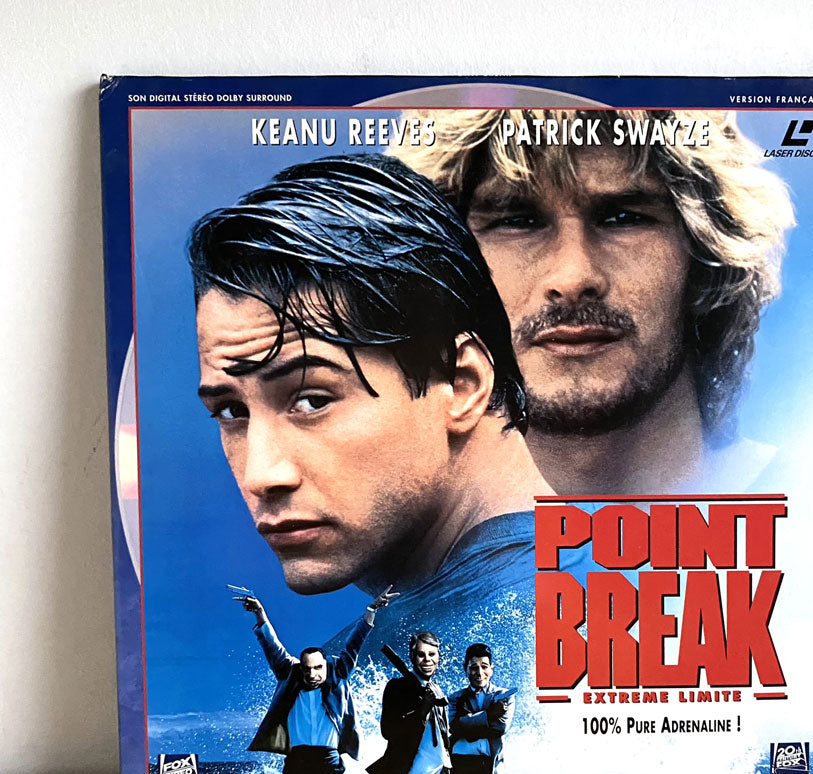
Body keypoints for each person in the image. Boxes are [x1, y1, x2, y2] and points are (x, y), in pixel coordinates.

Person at [189, 154, 551, 726]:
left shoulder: (367, 679)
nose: (261, 475)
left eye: (312, 399)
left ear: (462, 385)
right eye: (232, 411)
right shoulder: (643, 590)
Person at [391, 109, 796, 493]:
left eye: (623, 218)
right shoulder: (385, 533)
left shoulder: (806, 500)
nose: (573, 278)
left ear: (707, 258)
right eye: (517, 221)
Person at [234, 585, 398, 774]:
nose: (312, 674)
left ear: (326, 666)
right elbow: (272, 645)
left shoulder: (337, 673)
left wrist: (371, 610)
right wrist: (259, 613)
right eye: (307, 669)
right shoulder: (290, 674)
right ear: (300, 668)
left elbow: (354, 643)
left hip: (329, 759)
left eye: (318, 668)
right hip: (297, 761)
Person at [367, 632, 451, 774]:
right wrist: (422, 711)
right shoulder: (396, 687)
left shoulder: (436, 689)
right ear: (412, 656)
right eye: (421, 654)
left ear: (439, 657)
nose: (427, 659)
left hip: (441, 773)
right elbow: (388, 731)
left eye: (432, 654)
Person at [448, 643, 514, 774]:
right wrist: (489, 715)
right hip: (460, 768)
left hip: (491, 769)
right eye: (474, 667)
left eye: (484, 667)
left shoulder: (505, 696)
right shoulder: (455, 698)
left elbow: (500, 728)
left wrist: (466, 727)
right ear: (465, 669)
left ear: (491, 668)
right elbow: (454, 727)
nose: (479, 672)